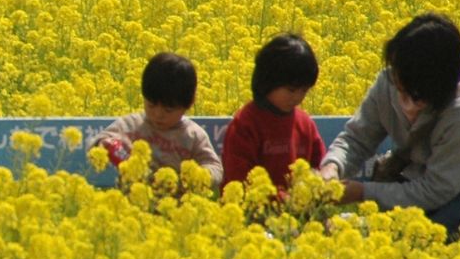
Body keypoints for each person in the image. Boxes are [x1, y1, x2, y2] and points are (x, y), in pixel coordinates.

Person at [320, 14, 460, 244]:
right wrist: (332, 167)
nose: (406, 106)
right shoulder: (390, 81)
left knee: (418, 239)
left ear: (443, 88)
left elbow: (436, 190)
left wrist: (362, 192)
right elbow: (357, 139)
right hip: (426, 186)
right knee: (389, 238)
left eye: (418, 99)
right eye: (401, 90)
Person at [89, 52, 223, 187]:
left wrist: (198, 175)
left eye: (168, 110)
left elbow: (214, 167)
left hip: (179, 205)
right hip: (131, 204)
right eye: (151, 105)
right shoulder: (130, 125)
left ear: (189, 104)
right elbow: (99, 142)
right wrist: (104, 145)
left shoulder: (193, 136)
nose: (158, 114)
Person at [220, 33, 327, 190]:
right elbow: (239, 181)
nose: (298, 97)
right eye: (291, 90)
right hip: (252, 211)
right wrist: (285, 200)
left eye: (304, 91)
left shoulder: (305, 124)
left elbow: (319, 167)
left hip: (299, 210)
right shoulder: (246, 124)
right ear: (268, 81)